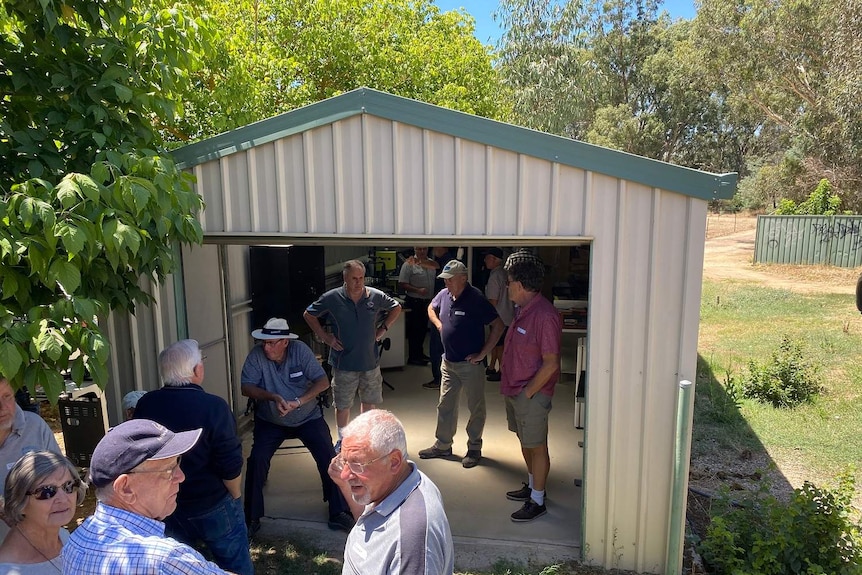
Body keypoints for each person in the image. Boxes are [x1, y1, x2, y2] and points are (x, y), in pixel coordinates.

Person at [133, 339, 252, 575]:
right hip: (212, 501)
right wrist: (236, 496)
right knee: (235, 563)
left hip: (166, 503)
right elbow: (229, 462)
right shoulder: (213, 407)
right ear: (197, 370)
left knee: (178, 568)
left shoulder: (146, 404)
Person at [62, 419, 231, 573]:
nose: (181, 476)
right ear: (126, 489)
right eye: (169, 469)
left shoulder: (76, 541)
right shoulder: (164, 560)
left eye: (178, 462)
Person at [241, 318, 354, 538]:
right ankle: (251, 517)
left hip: (308, 417)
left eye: (272, 342)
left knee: (328, 456)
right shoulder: (256, 355)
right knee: (257, 459)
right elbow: (246, 387)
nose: (266, 347)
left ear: (285, 342)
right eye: (264, 342)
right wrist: (272, 397)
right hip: (271, 420)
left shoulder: (300, 351)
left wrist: (299, 401)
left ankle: (338, 511)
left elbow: (322, 382)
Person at [328, 410, 454, 575]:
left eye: (357, 464)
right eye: (344, 460)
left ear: (394, 461)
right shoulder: (397, 481)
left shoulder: (411, 540)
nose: (345, 474)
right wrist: (345, 487)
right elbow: (372, 525)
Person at [304, 260, 401, 445]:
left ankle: (366, 439)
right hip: (344, 363)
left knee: (369, 403)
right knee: (342, 405)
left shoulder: (375, 296)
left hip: (370, 362)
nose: (358, 282)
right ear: (345, 278)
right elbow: (309, 315)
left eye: (361, 278)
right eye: (354, 279)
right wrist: (326, 337)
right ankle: (343, 440)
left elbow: (396, 307)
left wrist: (383, 329)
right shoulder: (332, 298)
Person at [418, 260, 504, 469]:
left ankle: (474, 447)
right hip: (448, 362)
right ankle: (443, 444)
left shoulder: (475, 299)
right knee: (445, 404)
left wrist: (483, 353)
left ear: (463, 279)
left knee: (475, 406)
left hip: (470, 365)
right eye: (445, 280)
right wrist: (438, 324)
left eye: (449, 280)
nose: (446, 283)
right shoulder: (444, 294)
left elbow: (498, 325)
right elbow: (431, 307)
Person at [499, 250, 562, 522]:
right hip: (515, 390)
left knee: (537, 446)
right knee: (525, 441)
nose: (506, 285)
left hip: (530, 394)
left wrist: (528, 393)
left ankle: (538, 500)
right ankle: (532, 485)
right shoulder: (522, 309)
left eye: (509, 281)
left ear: (521, 284)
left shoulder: (545, 316)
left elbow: (551, 363)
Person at [0, 451, 86, 574]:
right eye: (47, 491)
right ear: (19, 503)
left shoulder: (63, 535)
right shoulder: (8, 569)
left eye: (69, 486)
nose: (63, 499)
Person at [0, 377, 62, 540]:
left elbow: (60, 477)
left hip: (41, 542)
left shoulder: (34, 426)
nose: (2, 408)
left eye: (7, 396)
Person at [398, 247, 439, 366]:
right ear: (415, 250)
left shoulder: (431, 263)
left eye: (424, 249)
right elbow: (402, 283)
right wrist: (417, 290)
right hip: (415, 301)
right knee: (415, 331)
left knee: (422, 330)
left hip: (427, 302)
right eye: (419, 249)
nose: (421, 252)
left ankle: (420, 354)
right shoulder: (408, 264)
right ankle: (413, 357)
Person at [424, 247, 456, 390]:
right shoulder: (443, 292)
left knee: (438, 348)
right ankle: (441, 378)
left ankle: (439, 379)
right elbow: (430, 307)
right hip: (439, 314)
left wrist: (418, 262)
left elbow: (436, 266)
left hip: (444, 316)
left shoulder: (447, 260)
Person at [483, 248, 515, 382]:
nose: (485, 260)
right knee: (497, 343)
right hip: (508, 314)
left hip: (499, 317)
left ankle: (502, 371)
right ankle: (491, 366)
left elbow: (493, 301)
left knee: (499, 344)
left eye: (487, 257)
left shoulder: (494, 276)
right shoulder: (504, 273)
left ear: (494, 259)